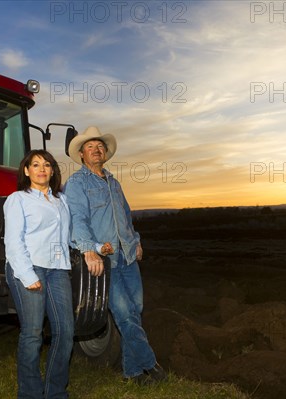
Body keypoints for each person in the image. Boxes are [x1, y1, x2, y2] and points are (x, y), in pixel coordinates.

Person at [63, 126, 167, 386]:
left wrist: (136, 240)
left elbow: (125, 215)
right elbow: (78, 219)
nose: (96, 150)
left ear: (105, 152)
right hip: (105, 261)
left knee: (136, 310)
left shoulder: (114, 182)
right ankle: (150, 364)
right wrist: (88, 249)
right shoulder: (77, 184)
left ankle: (131, 373)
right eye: (90, 147)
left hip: (128, 256)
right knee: (124, 314)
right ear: (81, 154)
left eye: (100, 146)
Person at [4, 149, 74, 399]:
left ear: (53, 170)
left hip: (58, 270)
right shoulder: (17, 199)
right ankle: (30, 394)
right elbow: (13, 241)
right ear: (26, 170)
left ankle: (55, 392)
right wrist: (27, 275)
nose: (42, 169)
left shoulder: (61, 201)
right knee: (33, 333)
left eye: (46, 164)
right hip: (28, 267)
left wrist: (95, 248)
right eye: (35, 164)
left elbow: (69, 236)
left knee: (65, 332)